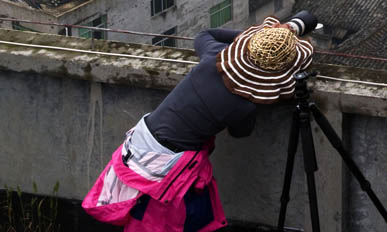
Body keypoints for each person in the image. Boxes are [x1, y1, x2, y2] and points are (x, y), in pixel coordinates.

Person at [82, 12, 318, 231]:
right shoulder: (243, 107)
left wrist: (258, 40)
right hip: (170, 168)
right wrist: (272, 47)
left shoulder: (211, 58)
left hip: (142, 140)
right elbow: (241, 132)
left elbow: (204, 34)